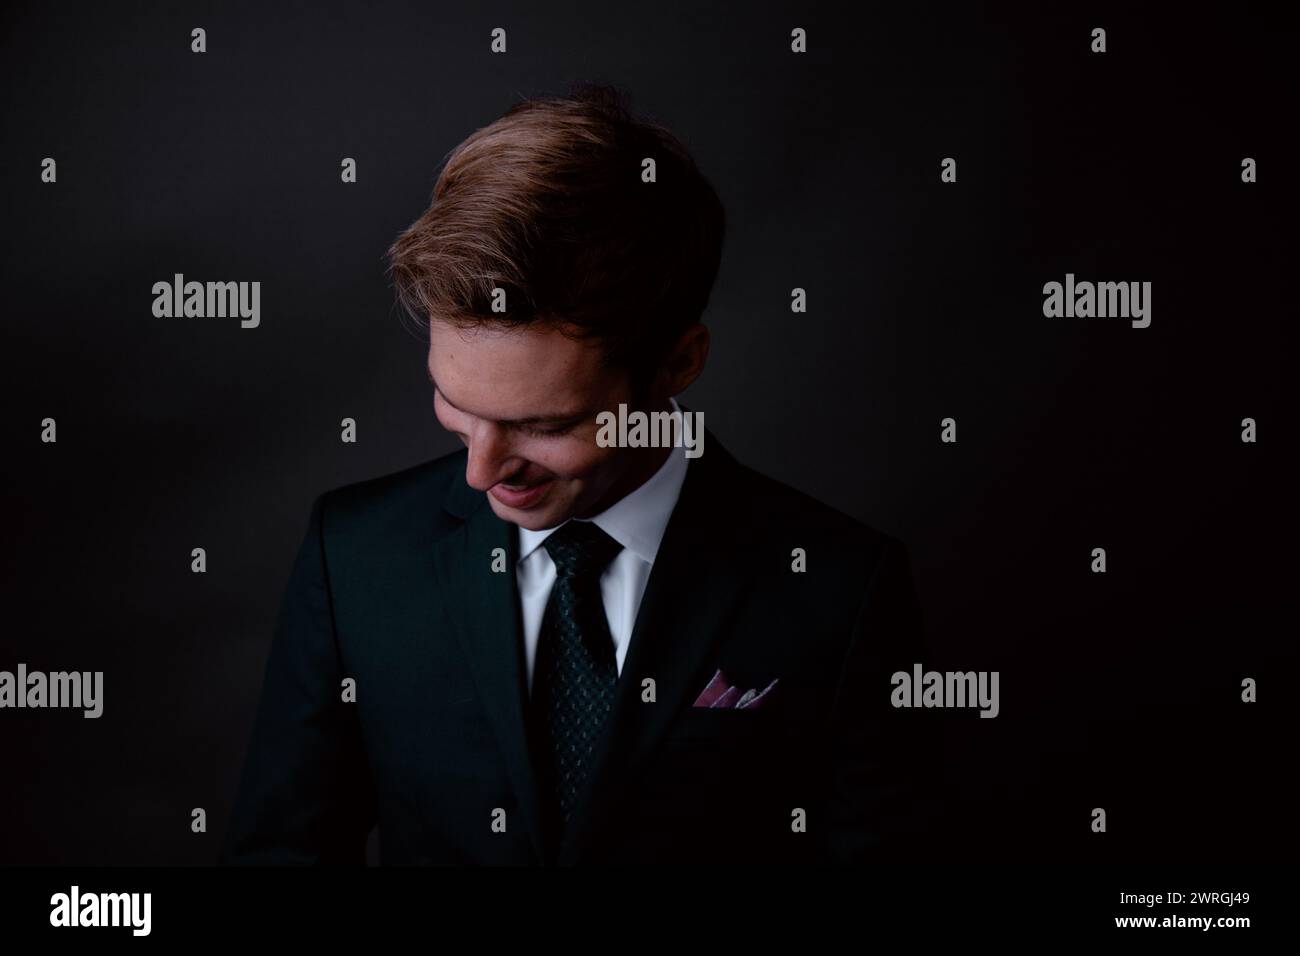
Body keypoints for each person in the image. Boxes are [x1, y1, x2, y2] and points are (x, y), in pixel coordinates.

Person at [222, 83, 928, 866]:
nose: (481, 471)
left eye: (545, 425)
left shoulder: (841, 590)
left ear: (679, 363)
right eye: (454, 402)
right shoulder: (353, 555)